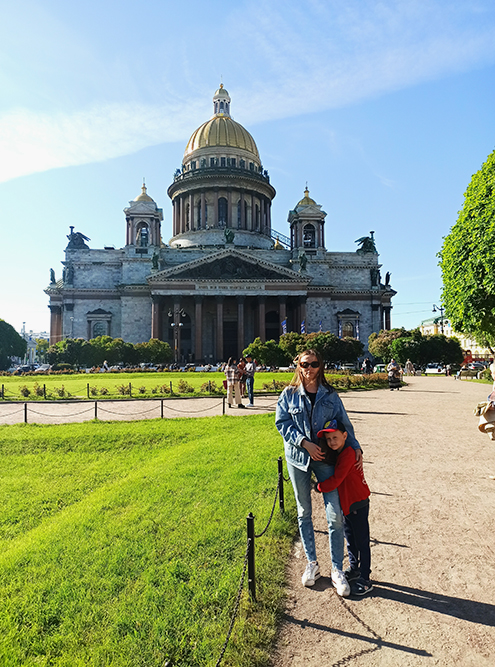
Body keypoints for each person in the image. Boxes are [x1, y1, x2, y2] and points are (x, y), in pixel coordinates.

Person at [275, 349, 363, 597]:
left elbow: (344, 423)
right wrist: (305, 443)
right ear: (298, 365)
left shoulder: (330, 395)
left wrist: (356, 448)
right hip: (299, 458)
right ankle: (312, 563)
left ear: (320, 366)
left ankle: (337, 569)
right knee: (304, 512)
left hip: (325, 459)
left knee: (334, 515)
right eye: (305, 364)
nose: (309, 368)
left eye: (314, 364)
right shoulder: (289, 394)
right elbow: (282, 424)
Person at [315, 419, 372, 596]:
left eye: (335, 437)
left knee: (362, 541)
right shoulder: (341, 452)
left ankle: (365, 577)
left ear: (345, 435)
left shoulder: (347, 454)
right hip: (348, 503)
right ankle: (354, 568)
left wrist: (320, 487)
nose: (332, 442)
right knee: (351, 538)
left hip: (357, 502)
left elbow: (337, 479)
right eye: (328, 439)